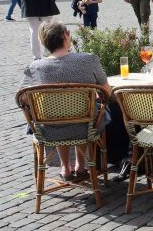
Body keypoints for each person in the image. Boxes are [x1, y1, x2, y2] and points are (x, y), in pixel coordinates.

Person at [20, 20, 114, 181]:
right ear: (65, 36)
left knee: (57, 115)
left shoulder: (35, 67)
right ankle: (81, 164)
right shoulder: (88, 60)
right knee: (88, 112)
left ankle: (65, 167)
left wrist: (44, 101)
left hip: (49, 129)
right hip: (86, 128)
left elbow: (22, 98)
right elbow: (107, 91)